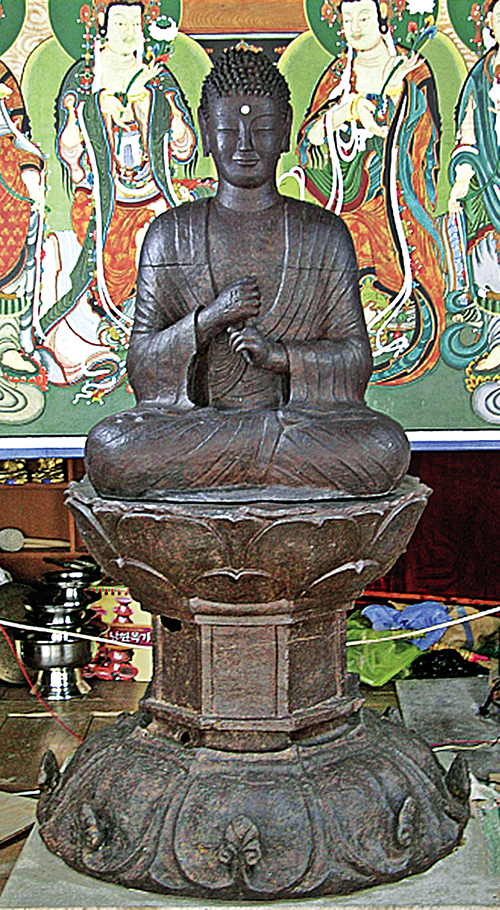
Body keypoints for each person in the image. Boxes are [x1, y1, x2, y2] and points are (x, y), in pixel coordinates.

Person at [86, 46, 409, 501]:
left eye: (262, 129)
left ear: (286, 131)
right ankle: (262, 460)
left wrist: (281, 356)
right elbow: (141, 364)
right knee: (111, 448)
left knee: (384, 447)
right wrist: (209, 319)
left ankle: (248, 458)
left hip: (296, 425)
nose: (244, 145)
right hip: (205, 427)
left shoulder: (323, 233)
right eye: (227, 130)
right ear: (205, 132)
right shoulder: (170, 234)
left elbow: (355, 357)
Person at [38, 0, 198, 397]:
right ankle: (110, 344)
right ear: (102, 29)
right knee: (116, 252)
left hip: (156, 193)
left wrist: (167, 117)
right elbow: (70, 153)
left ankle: (161, 350)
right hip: (104, 200)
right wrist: (88, 112)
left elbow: (184, 148)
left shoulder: (159, 80)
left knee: (161, 239)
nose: (128, 31)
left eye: (135, 23)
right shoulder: (84, 81)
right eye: (119, 22)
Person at [297, 0, 445, 383]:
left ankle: (399, 337)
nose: (356, 26)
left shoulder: (411, 69)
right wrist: (346, 111)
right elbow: (309, 139)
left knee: (400, 261)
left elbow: (424, 135)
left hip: (398, 196)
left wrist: (394, 102)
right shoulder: (337, 75)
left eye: (364, 17)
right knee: (342, 254)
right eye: (347, 19)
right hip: (348, 195)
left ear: (382, 20)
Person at [448, 0, 500, 379]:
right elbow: (468, 129)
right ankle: (498, 338)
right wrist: (463, 177)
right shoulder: (482, 76)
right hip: (491, 179)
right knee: (487, 256)